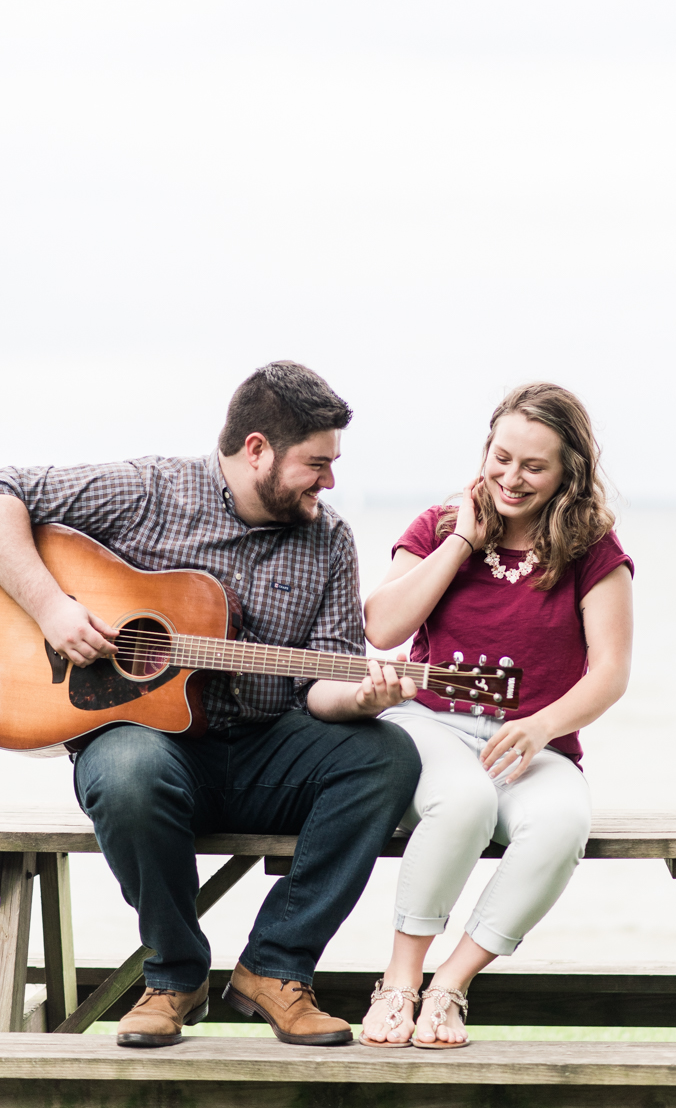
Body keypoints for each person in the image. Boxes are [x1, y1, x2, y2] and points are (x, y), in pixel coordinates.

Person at [0, 361, 421, 1048]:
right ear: (257, 449)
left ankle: (276, 966)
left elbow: (323, 685)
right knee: (127, 770)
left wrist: (366, 693)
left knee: (387, 754)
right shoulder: (148, 490)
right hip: (147, 747)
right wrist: (50, 607)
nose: (330, 481)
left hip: (264, 748)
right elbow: (4, 488)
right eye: (316, 463)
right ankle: (174, 975)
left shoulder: (329, 539)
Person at [359, 382, 633, 1049]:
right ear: (486, 448)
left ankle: (450, 984)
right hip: (431, 727)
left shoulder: (592, 549)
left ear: (569, 470)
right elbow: (384, 625)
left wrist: (542, 724)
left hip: (533, 745)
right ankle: (399, 980)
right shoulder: (435, 523)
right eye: (501, 457)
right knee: (464, 802)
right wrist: (460, 540)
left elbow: (611, 671)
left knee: (563, 821)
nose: (511, 477)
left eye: (534, 466)